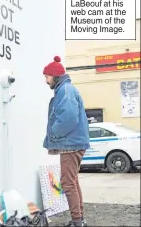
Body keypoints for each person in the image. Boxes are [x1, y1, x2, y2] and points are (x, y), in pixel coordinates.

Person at [43, 56, 90, 227]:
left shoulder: (65, 91)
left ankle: (77, 221)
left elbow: (69, 118)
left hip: (71, 144)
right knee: (72, 181)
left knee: (68, 183)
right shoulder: (66, 90)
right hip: (73, 142)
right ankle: (79, 220)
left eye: (47, 76)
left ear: (55, 76)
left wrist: (54, 133)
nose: (46, 80)